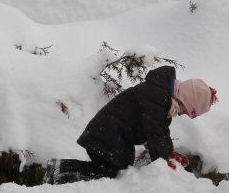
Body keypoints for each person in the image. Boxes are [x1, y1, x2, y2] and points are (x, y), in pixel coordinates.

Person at [44, 65, 217, 185]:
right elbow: (154, 131)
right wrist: (163, 161)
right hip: (107, 135)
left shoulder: (163, 101)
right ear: (186, 99)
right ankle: (59, 171)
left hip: (114, 136)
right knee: (111, 172)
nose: (182, 113)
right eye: (186, 110)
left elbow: (162, 132)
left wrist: (169, 152)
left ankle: (59, 172)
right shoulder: (157, 96)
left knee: (117, 170)